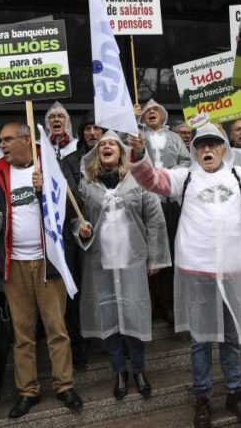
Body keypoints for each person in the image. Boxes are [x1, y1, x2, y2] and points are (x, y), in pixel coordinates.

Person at [128, 123, 241, 428]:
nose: (207, 150)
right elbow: (150, 179)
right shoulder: (184, 177)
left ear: (223, 149)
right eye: (201, 145)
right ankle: (201, 397)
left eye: (213, 144)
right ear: (194, 150)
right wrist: (138, 152)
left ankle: (234, 393)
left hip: (233, 271)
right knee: (200, 340)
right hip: (196, 273)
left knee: (230, 338)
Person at [0, 123, 83, 418]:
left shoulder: (50, 165)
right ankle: (28, 391)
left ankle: (64, 385)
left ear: (26, 140)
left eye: (6, 139)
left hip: (47, 262)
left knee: (56, 328)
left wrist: (46, 191)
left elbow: (73, 207)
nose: (1, 145)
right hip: (14, 265)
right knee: (22, 333)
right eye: (0, 140)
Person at [73, 131, 170, 400]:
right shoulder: (86, 185)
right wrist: (80, 229)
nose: (106, 147)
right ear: (96, 153)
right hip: (99, 264)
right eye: (102, 144)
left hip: (132, 261)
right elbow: (75, 219)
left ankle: (138, 369)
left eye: (112, 143)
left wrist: (155, 257)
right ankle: (119, 371)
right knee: (109, 319)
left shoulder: (138, 181)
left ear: (121, 151)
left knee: (134, 315)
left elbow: (155, 220)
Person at [135, 98, 190, 323]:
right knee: (148, 254)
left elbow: (186, 162)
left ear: (164, 115)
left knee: (170, 253)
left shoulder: (175, 138)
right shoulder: (136, 135)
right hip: (143, 202)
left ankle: (169, 305)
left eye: (156, 109)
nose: (152, 112)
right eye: (147, 111)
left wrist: (167, 176)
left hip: (168, 202)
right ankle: (149, 305)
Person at [61, 110, 103, 369]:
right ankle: (80, 345)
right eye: (87, 128)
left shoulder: (115, 155)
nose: (92, 132)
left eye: (97, 128)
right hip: (80, 232)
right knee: (78, 290)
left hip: (111, 232)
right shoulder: (70, 160)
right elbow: (70, 192)